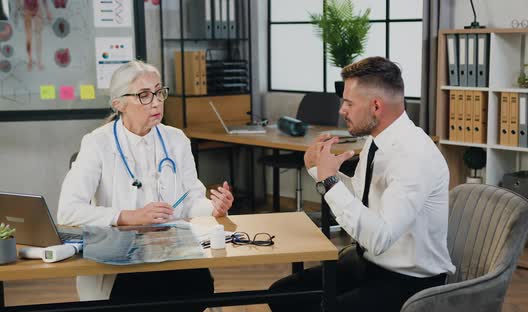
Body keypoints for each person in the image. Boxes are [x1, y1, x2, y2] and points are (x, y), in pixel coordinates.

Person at [269, 56, 455, 311]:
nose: (341, 110)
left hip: (409, 281)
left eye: (348, 103)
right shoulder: (375, 141)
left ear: (376, 106)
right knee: (282, 294)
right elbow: (359, 198)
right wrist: (317, 169)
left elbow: (380, 238)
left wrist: (330, 182)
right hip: (368, 263)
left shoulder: (414, 156)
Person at [58, 60, 234, 310]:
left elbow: (190, 201)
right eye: (143, 95)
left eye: (159, 92)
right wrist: (130, 217)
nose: (156, 102)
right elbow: (68, 211)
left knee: (198, 287)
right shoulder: (97, 143)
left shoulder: (176, 140)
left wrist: (214, 209)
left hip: (174, 255)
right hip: (123, 264)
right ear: (119, 104)